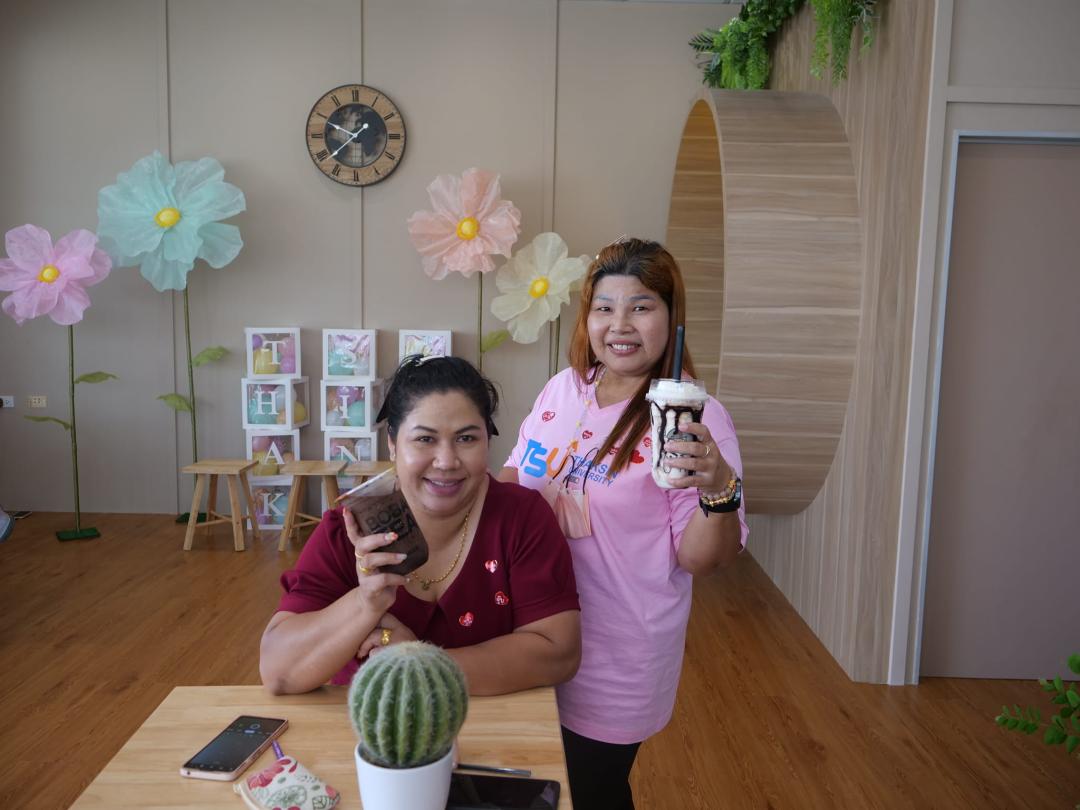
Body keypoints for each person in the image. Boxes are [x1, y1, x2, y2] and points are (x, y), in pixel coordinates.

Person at [499, 238, 748, 810]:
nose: (619, 325)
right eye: (604, 308)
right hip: (529, 634)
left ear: (671, 317)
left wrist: (717, 486)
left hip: (616, 655)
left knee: (591, 791)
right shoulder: (563, 389)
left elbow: (702, 559)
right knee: (538, 784)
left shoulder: (690, 415)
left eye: (641, 307)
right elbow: (516, 478)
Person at [260, 355, 581, 696]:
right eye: (425, 439)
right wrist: (366, 603)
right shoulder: (348, 530)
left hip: (494, 727)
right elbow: (279, 673)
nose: (446, 461)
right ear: (392, 445)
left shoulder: (521, 518)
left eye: (466, 439)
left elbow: (559, 654)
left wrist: (424, 664)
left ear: (488, 441)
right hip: (373, 726)